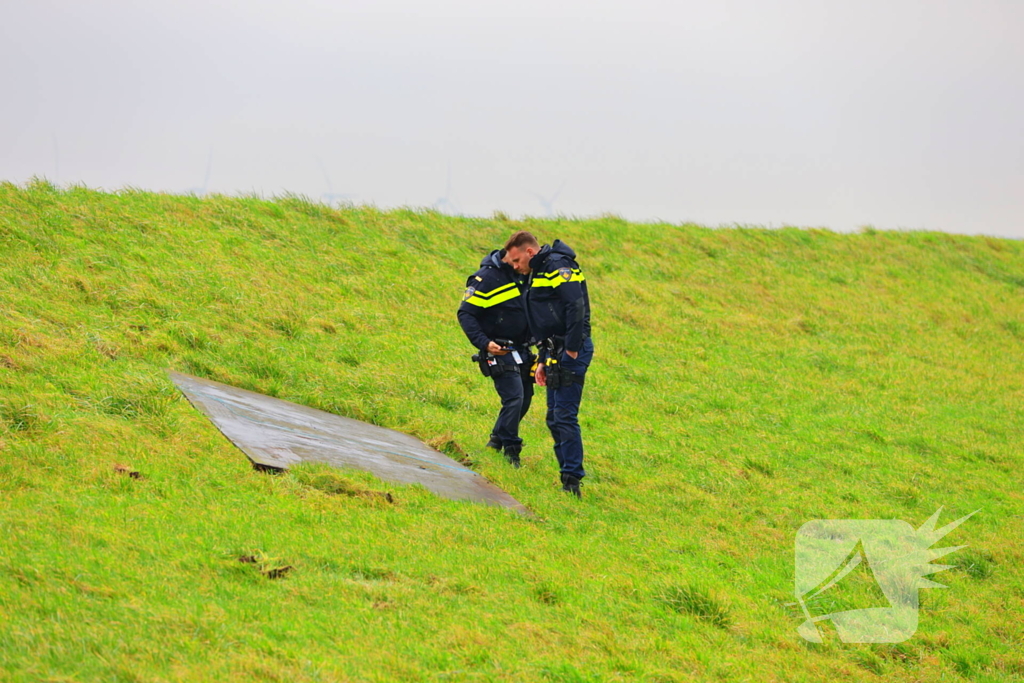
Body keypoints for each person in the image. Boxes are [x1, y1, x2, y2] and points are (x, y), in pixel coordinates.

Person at [503, 231, 593, 498]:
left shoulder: (557, 266)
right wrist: (543, 359)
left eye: (517, 260)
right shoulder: (537, 272)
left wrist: (573, 350)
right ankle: (567, 476)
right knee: (554, 418)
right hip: (554, 351)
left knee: (564, 416)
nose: (515, 267)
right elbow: (544, 321)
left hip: (570, 349)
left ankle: (572, 482)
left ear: (530, 251)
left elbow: (575, 307)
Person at [457, 248, 535, 468]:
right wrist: (484, 342)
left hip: (522, 349)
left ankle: (495, 442)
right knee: (514, 398)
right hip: (497, 348)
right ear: (511, 252)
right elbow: (466, 313)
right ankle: (512, 452)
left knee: (525, 398)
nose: (520, 265)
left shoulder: (525, 274)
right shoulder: (487, 278)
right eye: (517, 260)